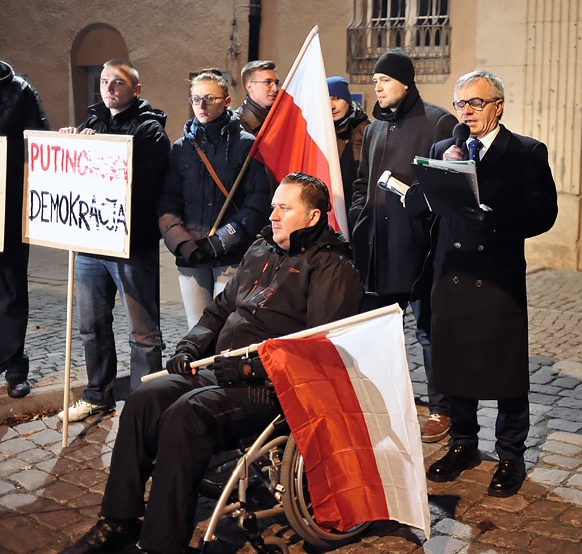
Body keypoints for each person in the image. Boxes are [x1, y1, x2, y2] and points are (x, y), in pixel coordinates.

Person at [60, 173, 364, 554]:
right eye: (272, 206)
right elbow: (220, 309)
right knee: (144, 398)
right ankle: (119, 520)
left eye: (284, 209)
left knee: (186, 415)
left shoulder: (333, 267)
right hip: (220, 369)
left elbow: (318, 350)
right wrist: (189, 347)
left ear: (314, 217)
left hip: (270, 386)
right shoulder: (262, 248)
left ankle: (161, 545)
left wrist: (250, 369)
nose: (272, 215)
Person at [406, 70, 557, 497]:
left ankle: (511, 454)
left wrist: (495, 219)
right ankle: (464, 445)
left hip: (496, 277)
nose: (467, 111)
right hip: (450, 275)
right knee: (454, 366)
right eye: (460, 104)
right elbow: (418, 205)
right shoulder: (443, 148)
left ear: (498, 105)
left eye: (476, 103)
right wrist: (441, 173)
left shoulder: (525, 152)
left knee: (506, 372)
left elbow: (544, 215)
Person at [349, 49, 456, 442]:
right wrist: (362, 219)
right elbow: (362, 181)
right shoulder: (375, 128)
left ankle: (442, 410)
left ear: (406, 83)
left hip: (419, 248)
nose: (377, 86)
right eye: (375, 80)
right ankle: (385, 403)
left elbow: (446, 186)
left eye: (385, 80)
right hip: (378, 247)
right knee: (375, 331)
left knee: (429, 332)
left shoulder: (437, 120)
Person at [57, 60, 170, 421]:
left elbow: (145, 183)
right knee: (91, 325)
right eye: (104, 81)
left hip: (130, 244)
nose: (108, 88)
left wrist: (100, 148)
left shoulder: (150, 130)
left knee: (143, 330)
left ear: (135, 90)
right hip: (92, 242)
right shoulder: (91, 123)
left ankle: (143, 406)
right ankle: (97, 394)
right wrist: (70, 146)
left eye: (117, 82)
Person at [159, 69, 271, 329]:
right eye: (196, 99)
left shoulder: (247, 145)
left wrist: (221, 241)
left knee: (226, 327)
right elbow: (168, 201)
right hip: (190, 255)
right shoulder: (181, 148)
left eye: (209, 98)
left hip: (229, 256)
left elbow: (257, 203)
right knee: (196, 327)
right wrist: (181, 242)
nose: (201, 105)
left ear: (227, 101)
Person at [0, 60, 49, 399]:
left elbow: (40, 145)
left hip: (9, 206)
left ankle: (14, 364)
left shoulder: (19, 91)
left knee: (12, 287)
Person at [327, 75, 370, 220]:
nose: (331, 106)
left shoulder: (365, 130)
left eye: (336, 99)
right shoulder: (321, 131)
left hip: (357, 205)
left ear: (348, 100)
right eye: (327, 100)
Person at [234, 60, 278, 135]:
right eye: (267, 82)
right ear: (250, 86)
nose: (275, 89)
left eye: (276, 83)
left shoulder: (281, 118)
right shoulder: (236, 124)